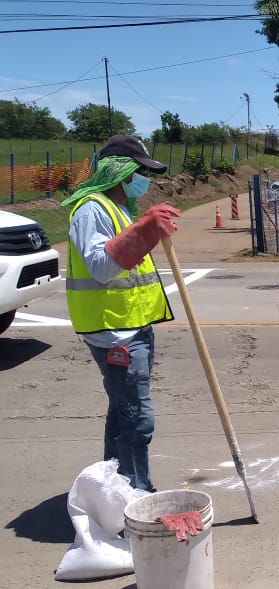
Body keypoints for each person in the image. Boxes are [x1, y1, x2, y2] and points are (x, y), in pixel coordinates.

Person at [63, 135, 180, 493]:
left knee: (122, 416)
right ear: (121, 171)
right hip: (114, 334)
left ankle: (113, 489)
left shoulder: (119, 208)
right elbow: (100, 266)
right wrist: (143, 230)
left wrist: (140, 228)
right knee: (136, 422)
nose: (145, 179)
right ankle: (135, 498)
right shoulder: (91, 209)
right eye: (141, 171)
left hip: (132, 328)